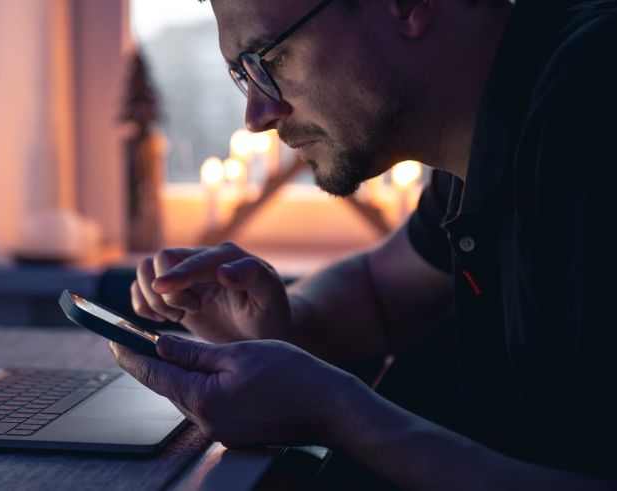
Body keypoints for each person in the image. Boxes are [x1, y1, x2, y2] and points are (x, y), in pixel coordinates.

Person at [110, 0, 617, 487]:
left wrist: (334, 411)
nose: (257, 115)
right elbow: (380, 291)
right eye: (243, 73)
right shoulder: (492, 123)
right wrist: (284, 321)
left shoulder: (591, 103)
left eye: (270, 57)